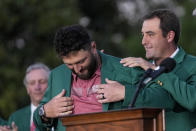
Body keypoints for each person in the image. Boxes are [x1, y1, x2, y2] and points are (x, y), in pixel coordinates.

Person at [96, 9, 196, 131]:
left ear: (169, 36)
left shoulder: (193, 65)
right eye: (143, 35)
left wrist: (154, 69)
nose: (143, 41)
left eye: (150, 34)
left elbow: (192, 101)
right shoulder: (138, 69)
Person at [33, 25, 145, 131]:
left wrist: (125, 93)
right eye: (70, 64)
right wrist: (45, 111)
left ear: (93, 48)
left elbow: (156, 100)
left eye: (81, 61)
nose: (77, 69)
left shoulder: (126, 70)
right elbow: (39, 121)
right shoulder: (56, 75)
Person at [7, 63, 50, 131]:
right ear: (27, 88)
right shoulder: (15, 118)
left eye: (42, 82)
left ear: (50, 84)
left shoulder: (61, 114)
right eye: (32, 83)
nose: (37, 87)